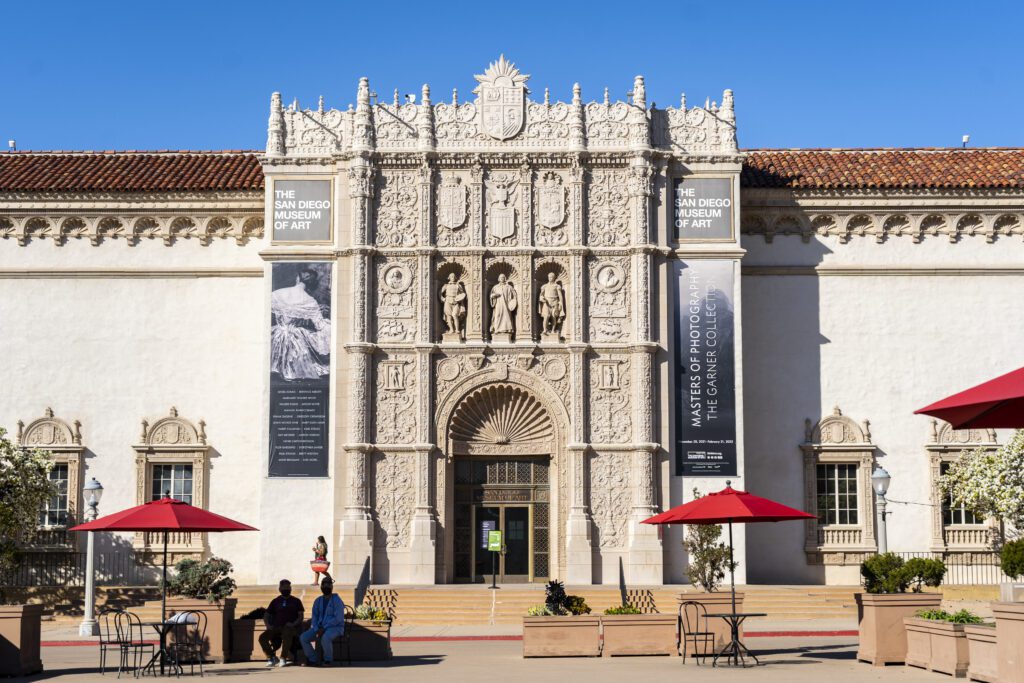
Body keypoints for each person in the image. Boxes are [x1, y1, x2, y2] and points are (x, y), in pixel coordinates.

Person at [270, 267, 330, 381]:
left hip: (276, 336)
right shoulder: (310, 301)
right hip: (296, 340)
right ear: (311, 284)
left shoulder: (277, 293)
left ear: (298, 279)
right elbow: (320, 326)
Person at [300, 578, 346, 667]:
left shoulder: (337, 600)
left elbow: (338, 618)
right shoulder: (318, 600)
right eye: (324, 585)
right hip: (319, 628)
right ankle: (313, 659)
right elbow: (314, 617)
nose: (326, 587)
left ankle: (328, 660)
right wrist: (317, 629)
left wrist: (324, 628)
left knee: (325, 638)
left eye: (328, 585)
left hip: (335, 627)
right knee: (303, 637)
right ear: (321, 586)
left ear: (332, 587)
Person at [258, 579, 304, 668]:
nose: (286, 589)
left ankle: (283, 658)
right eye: (284, 587)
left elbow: (300, 616)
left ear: (290, 589)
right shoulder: (275, 601)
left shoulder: (296, 601)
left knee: (287, 633)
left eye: (288, 587)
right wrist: (268, 625)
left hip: (290, 627)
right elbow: (266, 615)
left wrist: (293, 624)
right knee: (262, 638)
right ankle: (271, 658)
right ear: (279, 589)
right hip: (276, 627)